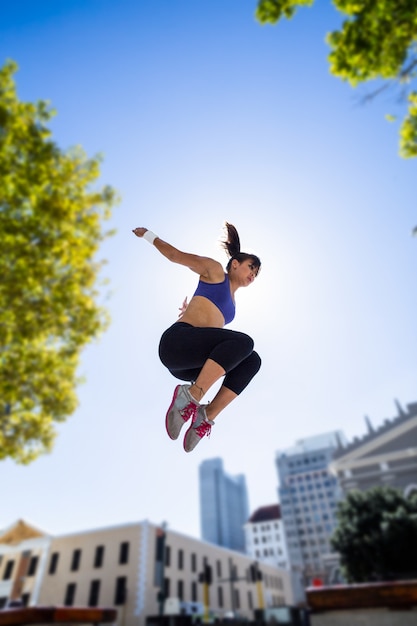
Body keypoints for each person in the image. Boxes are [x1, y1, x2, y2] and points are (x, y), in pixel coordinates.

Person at [132, 223, 261, 452]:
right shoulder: (213, 271)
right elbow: (175, 255)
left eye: (256, 273)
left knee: (252, 359)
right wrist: (148, 236)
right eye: (251, 267)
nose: (253, 274)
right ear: (235, 264)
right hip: (176, 344)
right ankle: (190, 397)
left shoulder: (232, 308)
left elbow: (214, 334)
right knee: (245, 343)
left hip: (189, 366)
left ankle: (206, 415)